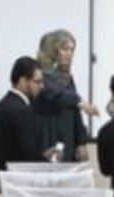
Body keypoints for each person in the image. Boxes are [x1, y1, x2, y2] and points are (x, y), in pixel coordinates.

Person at [32, 29, 98, 163]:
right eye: (64, 49)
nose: (69, 54)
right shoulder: (40, 73)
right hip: (48, 133)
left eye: (72, 50)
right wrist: (81, 102)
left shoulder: (67, 77)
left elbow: (75, 111)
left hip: (67, 135)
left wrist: (81, 142)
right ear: (52, 50)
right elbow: (55, 94)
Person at [0, 57, 47, 193]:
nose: (42, 86)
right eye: (37, 82)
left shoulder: (3, 104)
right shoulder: (21, 110)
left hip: (2, 181)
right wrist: (48, 162)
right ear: (22, 81)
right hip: (15, 186)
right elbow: (27, 155)